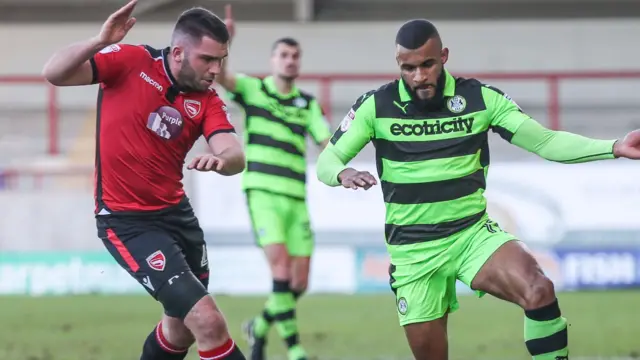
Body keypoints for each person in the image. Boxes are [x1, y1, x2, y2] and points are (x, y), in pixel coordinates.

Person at [316, 19, 640, 360]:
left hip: (471, 235)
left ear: (443, 56)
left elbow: (545, 141)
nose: (419, 76)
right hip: (413, 253)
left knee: (538, 289)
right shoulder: (375, 106)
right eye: (408, 68)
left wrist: (614, 147)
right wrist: (343, 172)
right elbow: (328, 160)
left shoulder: (480, 99)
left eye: (427, 64)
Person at [42, 2, 249, 360]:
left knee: (179, 329)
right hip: (127, 223)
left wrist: (221, 159)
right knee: (208, 322)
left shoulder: (207, 101)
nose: (216, 69)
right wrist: (99, 41)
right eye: (208, 60)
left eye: (221, 60)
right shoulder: (131, 61)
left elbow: (235, 154)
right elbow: (55, 73)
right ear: (180, 52)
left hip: (178, 219)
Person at [214, 5, 331, 360]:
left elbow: (326, 143)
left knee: (299, 283)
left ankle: (259, 328)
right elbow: (220, 76)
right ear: (273, 60)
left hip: (296, 198)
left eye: (295, 55)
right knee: (280, 268)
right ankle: (296, 351)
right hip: (263, 192)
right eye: (283, 54)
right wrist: (226, 40)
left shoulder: (307, 104)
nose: (290, 60)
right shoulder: (254, 89)